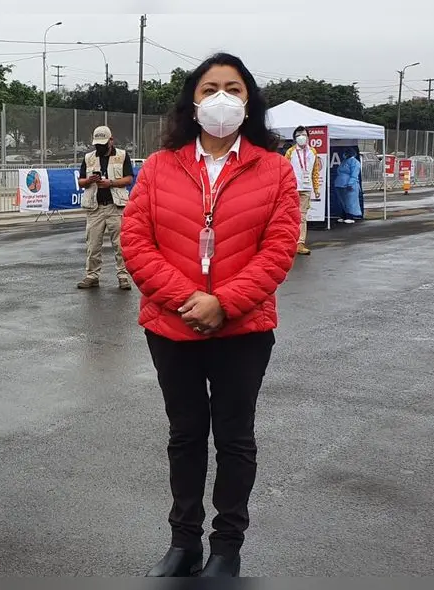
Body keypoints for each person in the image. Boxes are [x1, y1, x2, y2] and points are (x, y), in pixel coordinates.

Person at [120, 53, 300, 578]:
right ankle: (184, 541)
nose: (222, 98)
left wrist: (224, 302)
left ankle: (227, 548)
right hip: (171, 326)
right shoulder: (159, 166)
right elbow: (136, 240)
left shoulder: (275, 168)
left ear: (250, 100)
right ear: (192, 101)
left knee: (235, 437)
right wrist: (186, 300)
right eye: (210, 88)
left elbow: (279, 246)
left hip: (243, 328)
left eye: (234, 88)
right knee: (185, 435)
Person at [77, 125, 135, 290]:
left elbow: (129, 179)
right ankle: (92, 276)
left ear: (111, 140)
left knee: (120, 244)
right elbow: (80, 181)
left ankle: (123, 277)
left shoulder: (122, 155)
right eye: (97, 144)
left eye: (103, 144)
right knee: (93, 244)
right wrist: (90, 180)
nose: (100, 147)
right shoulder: (89, 157)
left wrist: (110, 183)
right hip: (95, 207)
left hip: (115, 207)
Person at [284, 126, 321, 255]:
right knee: (290, 216)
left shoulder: (313, 152)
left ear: (308, 137)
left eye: (304, 134)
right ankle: (288, 242)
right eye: (299, 134)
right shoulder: (290, 152)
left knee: (302, 217)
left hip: (306, 188)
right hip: (292, 188)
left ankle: (300, 243)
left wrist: (316, 188)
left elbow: (315, 171)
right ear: (294, 137)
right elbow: (284, 170)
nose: (301, 136)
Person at [333, 148, 363, 223]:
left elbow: (354, 174)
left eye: (346, 153)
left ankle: (351, 216)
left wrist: (350, 183)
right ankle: (344, 215)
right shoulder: (344, 161)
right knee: (343, 201)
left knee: (351, 201)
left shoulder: (355, 162)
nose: (344, 154)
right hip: (340, 184)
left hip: (349, 185)